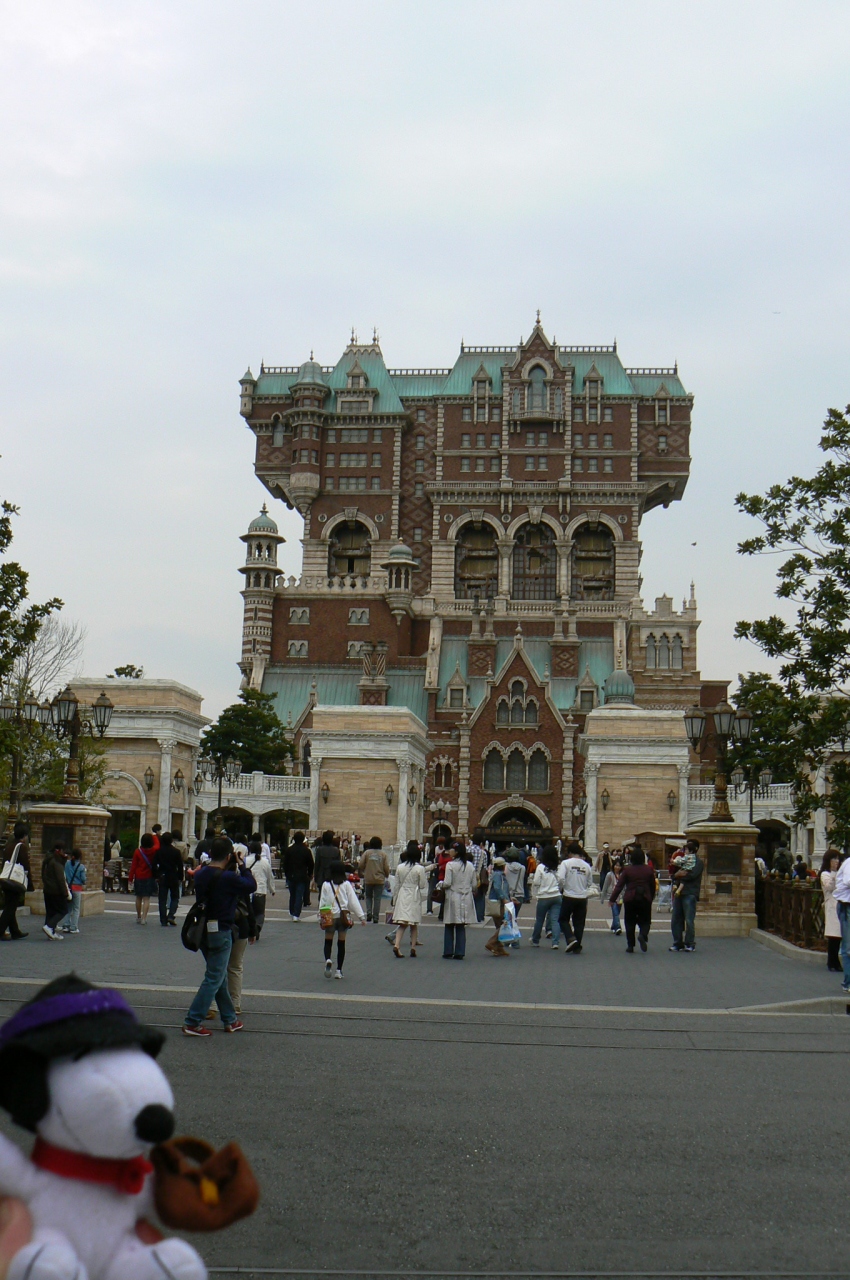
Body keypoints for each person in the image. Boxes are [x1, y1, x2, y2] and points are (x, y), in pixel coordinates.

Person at [183, 836, 256, 1035]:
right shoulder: (229, 877)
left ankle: (230, 1019)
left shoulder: (201, 874)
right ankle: (192, 1021)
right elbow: (251, 886)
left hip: (203, 929)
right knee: (214, 977)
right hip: (222, 930)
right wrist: (242, 865)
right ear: (228, 855)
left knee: (219, 975)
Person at [318, 861, 365, 978]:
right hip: (343, 916)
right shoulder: (346, 884)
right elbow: (353, 901)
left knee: (328, 941)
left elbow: (323, 901)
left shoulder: (326, 884)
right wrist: (361, 916)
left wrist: (321, 916)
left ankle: (328, 959)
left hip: (330, 915)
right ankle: (339, 970)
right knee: (341, 943)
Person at [610, 845, 656, 952]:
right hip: (644, 898)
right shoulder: (648, 870)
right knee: (645, 921)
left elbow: (619, 885)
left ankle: (630, 946)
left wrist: (612, 899)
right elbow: (652, 886)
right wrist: (651, 897)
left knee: (629, 922)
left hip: (630, 898)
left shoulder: (627, 870)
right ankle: (642, 935)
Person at [391, 841, 429, 957]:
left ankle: (397, 945)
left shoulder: (400, 867)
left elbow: (396, 885)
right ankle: (413, 947)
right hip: (413, 894)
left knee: (402, 923)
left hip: (402, 894)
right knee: (413, 923)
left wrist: (395, 898)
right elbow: (422, 885)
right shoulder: (419, 868)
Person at [558, 840, 595, 954]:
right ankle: (577, 945)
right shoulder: (586, 865)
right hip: (582, 897)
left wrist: (561, 888)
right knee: (579, 922)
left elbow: (560, 878)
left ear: (570, 853)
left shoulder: (566, 863)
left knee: (563, 919)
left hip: (569, 895)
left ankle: (570, 938)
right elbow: (590, 882)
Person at [442, 842, 477, 960]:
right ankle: (460, 951)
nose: (450, 851)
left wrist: (440, 884)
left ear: (456, 852)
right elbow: (475, 885)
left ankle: (448, 950)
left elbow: (447, 882)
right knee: (461, 925)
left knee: (449, 923)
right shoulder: (470, 866)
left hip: (453, 895)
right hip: (466, 896)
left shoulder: (450, 865)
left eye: (452, 849)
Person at [669, 837, 704, 952]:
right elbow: (675, 874)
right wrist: (677, 875)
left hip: (690, 893)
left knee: (689, 920)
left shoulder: (698, 862)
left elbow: (691, 875)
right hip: (679, 893)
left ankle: (689, 943)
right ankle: (677, 943)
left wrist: (679, 875)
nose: (685, 850)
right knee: (676, 919)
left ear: (695, 849)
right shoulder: (683, 859)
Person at [0, 822, 30, 941]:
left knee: (10, 905)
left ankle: (15, 931)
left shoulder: (9, 845)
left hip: (6, 878)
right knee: (11, 907)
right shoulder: (21, 847)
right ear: (24, 835)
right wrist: (29, 882)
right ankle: (1, 929)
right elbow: (25, 865)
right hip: (15, 880)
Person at [531, 845, 563, 949]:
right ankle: (555, 942)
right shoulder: (558, 867)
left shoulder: (541, 867)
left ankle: (535, 940)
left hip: (544, 896)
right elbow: (562, 881)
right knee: (555, 920)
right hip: (556, 896)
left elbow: (536, 882)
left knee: (540, 919)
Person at [153, 831, 184, 927]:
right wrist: (180, 877)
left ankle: (163, 919)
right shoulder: (176, 852)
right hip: (173, 876)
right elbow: (180, 865)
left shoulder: (159, 852)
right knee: (175, 897)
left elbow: (154, 865)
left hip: (163, 876)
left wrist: (157, 876)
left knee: (162, 899)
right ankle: (171, 915)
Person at [41, 842, 71, 940]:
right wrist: (65, 893)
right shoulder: (56, 862)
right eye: (64, 851)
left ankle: (51, 932)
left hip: (47, 889)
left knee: (51, 911)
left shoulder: (48, 859)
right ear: (59, 851)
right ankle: (49, 927)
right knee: (63, 910)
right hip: (56, 891)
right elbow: (61, 879)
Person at [820, 850, 843, 973]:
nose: (837, 862)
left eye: (838, 859)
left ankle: (834, 961)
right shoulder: (825, 874)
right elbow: (829, 886)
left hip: (839, 904)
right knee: (833, 935)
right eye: (834, 859)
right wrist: (835, 874)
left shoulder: (839, 873)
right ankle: (832, 961)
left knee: (838, 934)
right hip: (831, 904)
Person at [358, 836, 390, 923]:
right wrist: (387, 874)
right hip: (379, 879)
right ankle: (376, 917)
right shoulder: (383, 854)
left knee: (368, 896)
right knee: (377, 898)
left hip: (368, 878)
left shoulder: (367, 853)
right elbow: (386, 867)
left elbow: (360, 864)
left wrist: (364, 870)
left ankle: (369, 913)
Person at [284, 830, 314, 919]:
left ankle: (291, 911)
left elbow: (285, 863)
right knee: (299, 894)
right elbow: (311, 863)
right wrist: (310, 874)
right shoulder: (306, 850)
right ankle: (296, 914)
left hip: (291, 875)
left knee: (292, 894)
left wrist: (287, 874)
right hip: (302, 875)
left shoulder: (289, 850)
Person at [248, 839, 275, 936]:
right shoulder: (265, 862)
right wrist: (272, 889)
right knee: (259, 913)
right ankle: (257, 927)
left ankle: (251, 928)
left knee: (249, 911)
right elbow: (270, 877)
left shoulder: (246, 860)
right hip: (260, 890)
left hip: (248, 891)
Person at [485, 856, 511, 956]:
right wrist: (504, 898)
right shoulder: (498, 875)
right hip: (498, 901)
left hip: (498, 900)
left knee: (499, 924)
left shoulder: (497, 874)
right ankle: (491, 943)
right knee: (503, 924)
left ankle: (499, 947)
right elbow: (498, 887)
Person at [128, 833, 157, 923]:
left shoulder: (138, 852)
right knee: (146, 898)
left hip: (139, 876)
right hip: (149, 876)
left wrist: (130, 878)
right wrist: (155, 835)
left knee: (138, 897)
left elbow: (133, 866)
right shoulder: (154, 851)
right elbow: (157, 844)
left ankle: (139, 916)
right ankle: (144, 918)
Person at [57, 849, 86, 934]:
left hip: (68, 888)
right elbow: (83, 879)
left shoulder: (67, 864)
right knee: (76, 908)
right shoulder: (81, 867)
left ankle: (66, 925)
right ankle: (74, 927)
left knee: (68, 908)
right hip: (77, 888)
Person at [469, 831, 489, 923]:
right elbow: (484, 867)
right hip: (478, 877)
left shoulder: (467, 849)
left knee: (469, 896)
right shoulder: (483, 853)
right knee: (480, 897)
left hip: (468, 876)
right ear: (481, 842)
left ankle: (469, 916)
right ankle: (479, 916)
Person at [503, 845, 526, 923]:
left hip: (508, 895)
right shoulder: (522, 868)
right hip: (519, 894)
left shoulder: (505, 867)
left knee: (507, 918)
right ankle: (513, 932)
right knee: (514, 917)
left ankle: (507, 933)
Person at [601, 858, 623, 935]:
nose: (617, 867)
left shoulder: (622, 875)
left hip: (620, 896)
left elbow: (625, 886)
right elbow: (605, 886)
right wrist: (602, 897)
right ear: (613, 866)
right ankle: (618, 927)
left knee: (617, 912)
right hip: (612, 896)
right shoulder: (609, 875)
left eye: (619, 866)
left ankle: (613, 926)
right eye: (616, 865)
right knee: (615, 912)